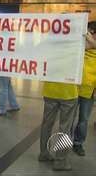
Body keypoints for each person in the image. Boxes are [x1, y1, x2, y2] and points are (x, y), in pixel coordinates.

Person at [38, 81, 78, 171]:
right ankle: (60, 161)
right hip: (69, 92)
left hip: (50, 91)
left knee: (46, 124)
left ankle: (44, 154)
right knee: (65, 127)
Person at [73, 21, 96, 156]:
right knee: (70, 119)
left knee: (83, 120)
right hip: (74, 88)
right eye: (89, 32)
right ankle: (67, 141)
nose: (89, 35)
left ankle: (78, 143)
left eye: (92, 32)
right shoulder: (80, 46)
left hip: (89, 91)